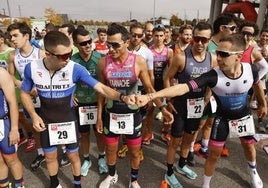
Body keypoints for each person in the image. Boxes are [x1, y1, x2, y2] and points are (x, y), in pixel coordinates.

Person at [136, 33, 268, 188]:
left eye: (223, 55)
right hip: (222, 119)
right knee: (213, 155)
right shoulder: (213, 75)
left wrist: (262, 103)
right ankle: (206, 185)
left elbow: (257, 84)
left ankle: (253, 171)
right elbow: (182, 87)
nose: (218, 58)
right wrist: (152, 95)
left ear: (239, 57)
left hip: (243, 116)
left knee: (249, 147)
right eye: (217, 53)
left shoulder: (251, 69)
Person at [20, 30, 136, 188]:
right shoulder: (31, 68)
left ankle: (77, 185)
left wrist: (122, 97)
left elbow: (101, 88)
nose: (67, 59)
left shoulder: (75, 68)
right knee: (50, 157)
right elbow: (24, 94)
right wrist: (34, 115)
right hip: (46, 120)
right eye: (62, 56)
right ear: (48, 54)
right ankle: (54, 184)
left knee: (74, 156)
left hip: (68, 119)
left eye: (69, 54)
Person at [96, 23, 173, 188]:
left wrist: (163, 108)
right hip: (111, 114)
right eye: (109, 44)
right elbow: (101, 91)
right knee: (110, 150)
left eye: (115, 44)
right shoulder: (103, 62)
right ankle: (112, 175)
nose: (111, 48)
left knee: (135, 151)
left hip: (132, 115)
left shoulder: (138, 61)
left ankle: (134, 180)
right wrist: (98, 117)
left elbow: (149, 89)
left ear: (126, 42)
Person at [161, 22, 217, 187]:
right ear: (193, 38)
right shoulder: (181, 57)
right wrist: (170, 100)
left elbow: (212, 83)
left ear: (209, 40)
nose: (200, 43)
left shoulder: (211, 59)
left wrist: (207, 99)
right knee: (175, 141)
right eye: (197, 39)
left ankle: (181, 164)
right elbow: (167, 78)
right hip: (180, 105)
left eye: (204, 40)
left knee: (189, 138)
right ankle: (169, 172)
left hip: (198, 106)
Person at [195, 14, 238, 158]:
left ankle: (204, 147)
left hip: (219, 93)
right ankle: (188, 150)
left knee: (210, 123)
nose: (234, 31)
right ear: (222, 28)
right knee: (199, 124)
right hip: (203, 92)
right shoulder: (207, 45)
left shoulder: (230, 46)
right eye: (232, 28)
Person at [7, 22, 47, 170]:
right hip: (27, 97)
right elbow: (10, 75)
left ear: (26, 36)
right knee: (34, 127)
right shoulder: (13, 55)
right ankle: (41, 153)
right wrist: (20, 84)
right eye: (11, 36)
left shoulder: (40, 53)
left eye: (15, 35)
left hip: (43, 97)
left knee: (50, 125)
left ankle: (61, 151)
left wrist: (38, 85)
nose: (12, 39)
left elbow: (50, 74)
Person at [71, 28, 108, 176]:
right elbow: (67, 81)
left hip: (97, 102)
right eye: (83, 43)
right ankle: (86, 159)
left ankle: (101, 157)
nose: (87, 46)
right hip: (80, 104)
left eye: (89, 42)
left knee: (99, 132)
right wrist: (70, 96)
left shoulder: (100, 58)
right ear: (75, 44)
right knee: (84, 134)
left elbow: (105, 83)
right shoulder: (72, 61)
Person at [117, 21, 154, 160]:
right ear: (129, 35)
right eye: (134, 35)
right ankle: (125, 144)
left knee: (142, 119)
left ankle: (139, 147)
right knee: (123, 117)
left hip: (141, 90)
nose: (136, 38)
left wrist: (151, 96)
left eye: (139, 35)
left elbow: (150, 76)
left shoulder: (147, 53)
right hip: (124, 89)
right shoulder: (121, 50)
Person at [143, 24, 173, 145]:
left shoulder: (169, 51)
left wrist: (171, 87)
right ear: (153, 36)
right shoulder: (148, 51)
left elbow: (171, 71)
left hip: (164, 83)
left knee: (168, 108)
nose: (159, 38)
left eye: (161, 36)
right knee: (150, 109)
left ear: (165, 36)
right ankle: (149, 132)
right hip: (152, 83)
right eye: (156, 36)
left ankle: (165, 131)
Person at [0, 67, 25, 188]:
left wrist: (14, 129)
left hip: (3, 123)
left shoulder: (1, 73)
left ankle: (19, 185)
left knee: (10, 158)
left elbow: (12, 102)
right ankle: (4, 184)